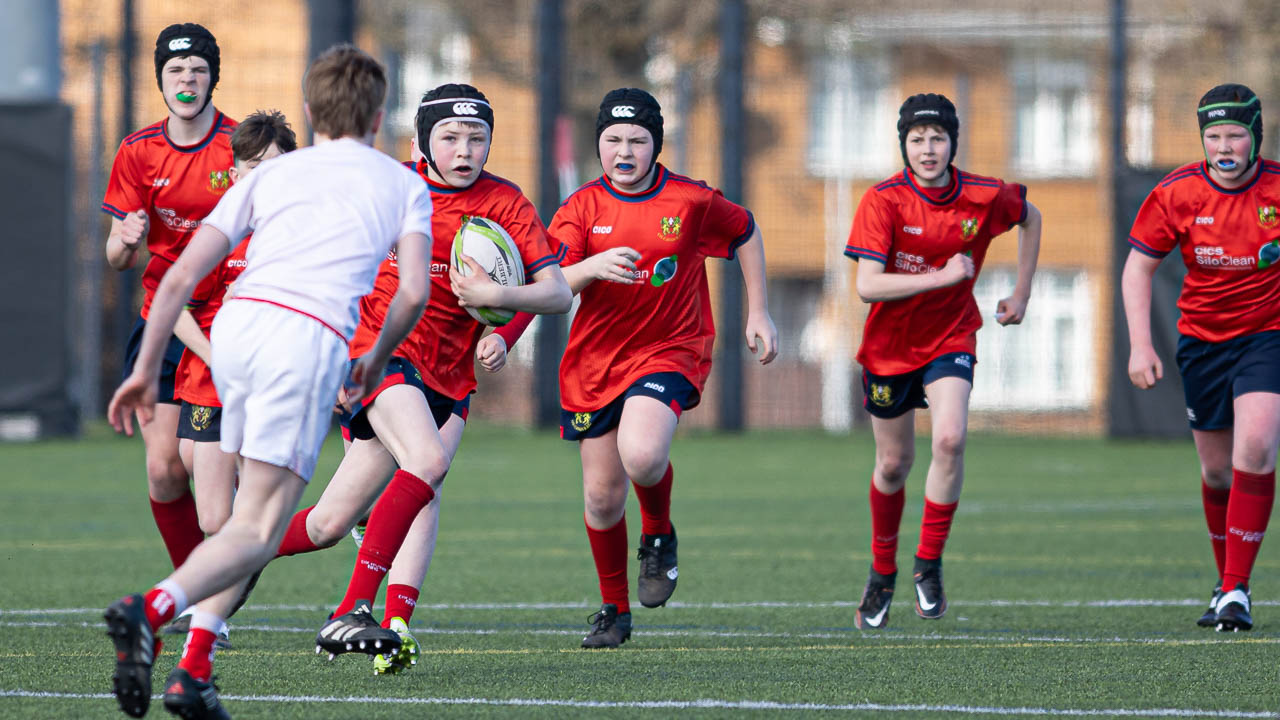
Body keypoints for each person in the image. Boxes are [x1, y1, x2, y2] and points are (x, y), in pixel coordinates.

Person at [102, 45, 432, 719]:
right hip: (303, 342)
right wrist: (376, 357)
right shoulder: (404, 184)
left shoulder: (267, 175)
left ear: (310, 112)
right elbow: (414, 294)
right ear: (379, 115)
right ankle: (152, 609)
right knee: (257, 527)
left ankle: (194, 671)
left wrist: (142, 369)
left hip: (237, 334)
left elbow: (178, 275)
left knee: (243, 520)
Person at [270, 83, 570, 673]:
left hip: (449, 374)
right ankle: (353, 611)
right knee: (427, 465)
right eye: (451, 138)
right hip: (381, 352)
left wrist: (496, 300)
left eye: (477, 138)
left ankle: (235, 553)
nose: (465, 150)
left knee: (332, 521)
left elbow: (557, 291)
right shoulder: (389, 189)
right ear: (420, 143)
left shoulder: (505, 202)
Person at [546, 88, 778, 649]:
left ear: (656, 145)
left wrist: (760, 311)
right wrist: (592, 267)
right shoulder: (579, 209)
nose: (623, 151)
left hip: (670, 348)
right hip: (595, 362)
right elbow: (550, 285)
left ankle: (657, 532)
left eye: (637, 141)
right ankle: (614, 611)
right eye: (612, 141)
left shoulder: (690, 201)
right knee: (601, 498)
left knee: (644, 453)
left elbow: (744, 230)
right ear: (597, 144)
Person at [844, 93, 1041, 630]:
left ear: (954, 142)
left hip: (952, 337)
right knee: (893, 464)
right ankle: (882, 572)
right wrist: (941, 277)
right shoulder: (883, 201)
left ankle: (927, 564)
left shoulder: (983, 194)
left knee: (951, 438)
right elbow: (866, 287)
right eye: (917, 139)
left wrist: (1022, 293)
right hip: (888, 349)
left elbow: (1031, 216)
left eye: (937, 138)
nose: (928, 149)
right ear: (903, 145)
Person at [1123, 83, 1280, 632]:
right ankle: (1225, 582)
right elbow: (1137, 268)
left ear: (1255, 134)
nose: (1224, 145)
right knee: (1217, 472)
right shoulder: (1177, 192)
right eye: (1213, 135)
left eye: (1235, 133)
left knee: (1256, 447)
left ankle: (1236, 589)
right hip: (1202, 344)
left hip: (1268, 336)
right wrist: (1141, 344)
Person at [161, 110, 298, 649]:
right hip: (213, 384)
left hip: (273, 386)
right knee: (217, 514)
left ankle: (208, 621)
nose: (266, 176)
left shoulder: (304, 236)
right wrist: (219, 354)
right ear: (236, 173)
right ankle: (255, 530)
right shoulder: (221, 232)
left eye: (277, 165)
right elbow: (173, 307)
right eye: (254, 166)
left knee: (241, 516)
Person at [102, 22, 234, 580]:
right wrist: (125, 241)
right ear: (161, 80)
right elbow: (117, 258)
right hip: (166, 320)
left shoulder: (239, 145)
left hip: (228, 322)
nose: (187, 80)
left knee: (193, 463)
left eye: (198, 70)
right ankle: (196, 590)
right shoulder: (138, 151)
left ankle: (219, 578)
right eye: (176, 70)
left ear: (212, 79)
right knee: (163, 471)